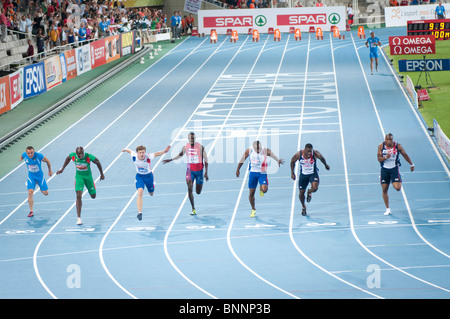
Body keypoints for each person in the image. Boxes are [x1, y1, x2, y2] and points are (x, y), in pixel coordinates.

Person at [56, 147, 105, 225]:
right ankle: (79, 218)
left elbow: (97, 161)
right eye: (80, 155)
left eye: (82, 154)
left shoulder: (88, 156)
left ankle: (92, 186)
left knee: (93, 196)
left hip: (88, 176)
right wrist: (62, 169)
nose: (82, 156)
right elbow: (67, 159)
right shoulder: (73, 156)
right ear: (76, 154)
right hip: (79, 177)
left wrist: (101, 174)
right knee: (78, 195)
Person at [163, 132, 208, 215]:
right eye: (190, 138)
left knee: (198, 192)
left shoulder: (200, 147)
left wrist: (206, 172)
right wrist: (171, 159)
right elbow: (180, 155)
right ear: (188, 139)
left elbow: (206, 159)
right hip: (190, 170)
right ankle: (193, 209)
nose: (192, 139)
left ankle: (198, 186)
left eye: (193, 138)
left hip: (199, 171)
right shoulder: (185, 147)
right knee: (189, 188)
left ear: (195, 138)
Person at [122, 144, 170, 221]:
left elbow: (157, 154)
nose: (142, 154)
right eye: (140, 153)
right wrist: (125, 150)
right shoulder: (134, 156)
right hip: (139, 177)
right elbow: (130, 151)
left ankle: (152, 186)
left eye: (143, 152)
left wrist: (164, 151)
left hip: (149, 177)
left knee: (151, 194)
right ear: (137, 153)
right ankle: (140, 212)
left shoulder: (148, 157)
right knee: (140, 192)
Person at [236, 141, 284, 217]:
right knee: (251, 193)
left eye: (259, 149)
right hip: (253, 173)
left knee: (264, 190)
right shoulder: (249, 150)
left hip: (262, 173)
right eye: (256, 149)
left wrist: (278, 160)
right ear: (253, 148)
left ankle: (261, 188)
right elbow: (242, 160)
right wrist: (238, 169)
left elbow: (273, 155)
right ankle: (253, 209)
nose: (258, 151)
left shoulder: (265, 150)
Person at [377, 133, 414, 216]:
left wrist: (411, 164)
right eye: (388, 139)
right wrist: (385, 157)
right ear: (385, 140)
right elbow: (379, 159)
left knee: (397, 188)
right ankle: (388, 209)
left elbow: (405, 155)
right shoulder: (381, 146)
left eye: (391, 139)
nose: (389, 141)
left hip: (394, 169)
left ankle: (398, 177)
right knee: (384, 189)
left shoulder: (398, 146)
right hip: (384, 170)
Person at [290, 143, 329, 216]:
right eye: (308, 151)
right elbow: (292, 161)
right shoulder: (298, 155)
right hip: (303, 175)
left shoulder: (315, 153)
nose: (309, 153)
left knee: (314, 188)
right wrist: (292, 173)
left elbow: (322, 158)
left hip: (312, 174)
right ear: (304, 149)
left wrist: (326, 165)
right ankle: (303, 206)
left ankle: (309, 192)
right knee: (301, 193)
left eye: (310, 151)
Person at [19, 146, 53, 217]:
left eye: (31, 153)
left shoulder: (39, 156)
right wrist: (21, 158)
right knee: (30, 192)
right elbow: (22, 156)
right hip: (31, 177)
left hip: (40, 177)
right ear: (26, 153)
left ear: (33, 152)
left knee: (46, 193)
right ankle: (31, 211)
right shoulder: (24, 155)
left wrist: (49, 170)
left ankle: (40, 186)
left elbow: (47, 161)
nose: (30, 154)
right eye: (29, 153)